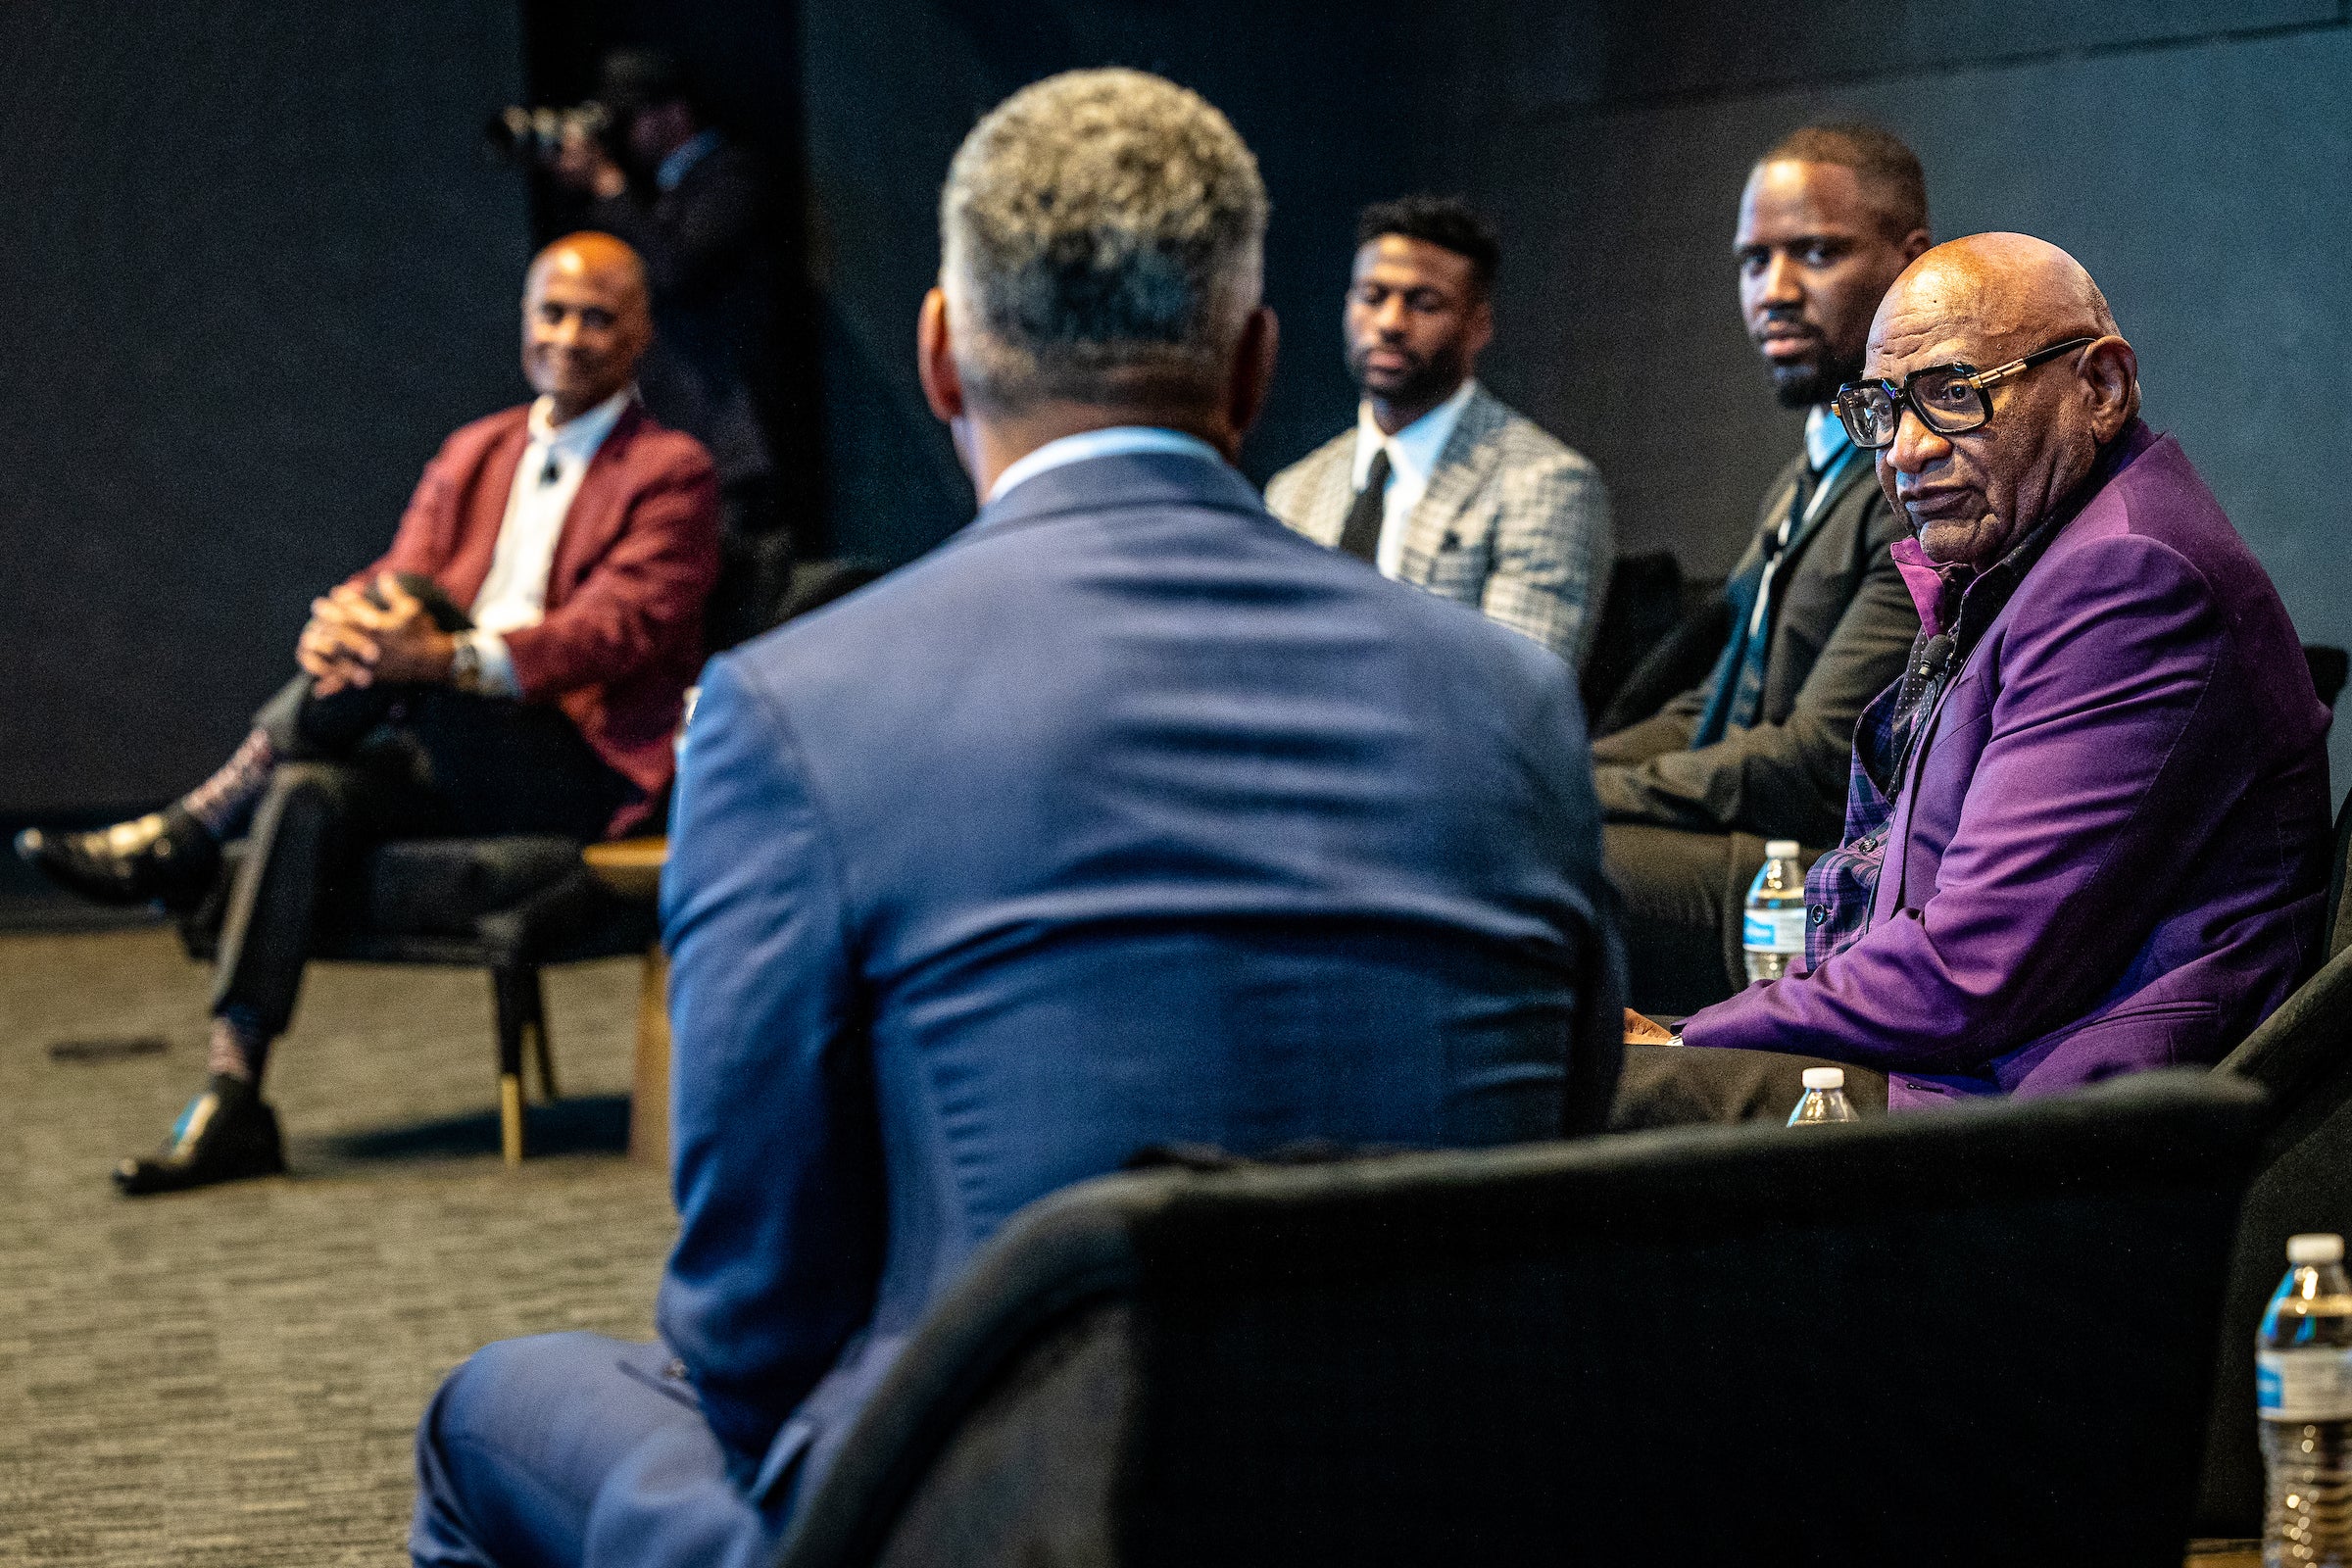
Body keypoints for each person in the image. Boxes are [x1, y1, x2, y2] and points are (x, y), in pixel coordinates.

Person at [412, 70, 1621, 1568]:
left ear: (935, 355)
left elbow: (747, 1327)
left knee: (487, 1415)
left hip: (995, 1523)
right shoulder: (1514, 702)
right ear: (1253, 366)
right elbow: (1563, 1189)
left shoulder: (798, 706)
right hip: (1434, 1499)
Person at [18, 233, 720, 1193]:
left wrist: (442, 654)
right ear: (524, 324)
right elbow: (394, 574)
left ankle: (192, 826)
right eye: (552, 313)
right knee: (309, 788)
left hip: (572, 765)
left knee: (420, 621)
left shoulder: (673, 470)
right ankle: (234, 1092)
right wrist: (341, 624)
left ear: (640, 333)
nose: (570, 335)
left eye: (598, 317)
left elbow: (617, 632)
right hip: (442, 738)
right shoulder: (475, 450)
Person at [1614, 232, 2332, 1126]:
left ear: (2101, 388)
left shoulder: (2126, 580)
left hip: (2040, 1125)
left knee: (1572, 1097)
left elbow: (1971, 967)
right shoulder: (2035, 555)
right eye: (1882, 409)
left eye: (1953, 396)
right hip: (1964, 1068)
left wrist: (1696, 1042)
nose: (1905, 450)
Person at [1593, 124, 1929, 1016]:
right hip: (1743, 839)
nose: (1773, 291)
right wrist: (1556, 768)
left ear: (1912, 262)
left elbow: (1819, 763)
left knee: (1517, 855)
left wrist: (1579, 792)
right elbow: (1706, 710)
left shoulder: (1917, 483)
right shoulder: (1809, 469)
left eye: (1816, 253)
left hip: (1816, 872)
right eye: (1753, 261)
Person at [1265, 196, 1611, 665]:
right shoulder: (1293, 494)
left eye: (1423, 304)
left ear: (1479, 325)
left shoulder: (1543, 486)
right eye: (1372, 297)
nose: (1389, 323)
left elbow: (1515, 696)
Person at [548, 47, 785, 647]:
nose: (623, 138)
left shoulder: (730, 176)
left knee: (731, 614)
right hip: (679, 439)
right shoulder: (658, 196)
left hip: (731, 444)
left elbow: (675, 270)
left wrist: (607, 187)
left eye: (629, 119)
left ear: (672, 113)